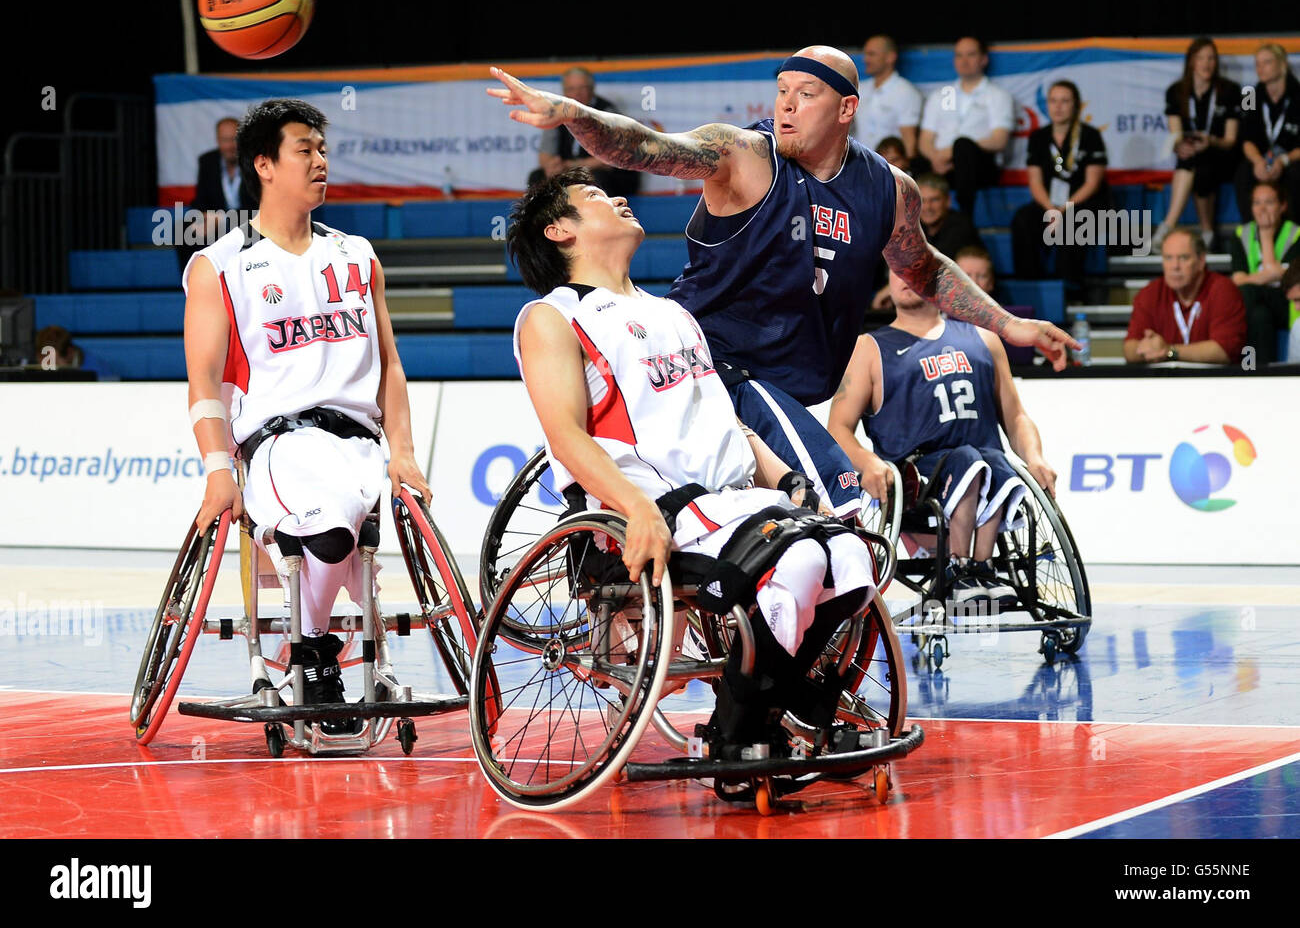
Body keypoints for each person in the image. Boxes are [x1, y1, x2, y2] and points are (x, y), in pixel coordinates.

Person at [488, 48, 1073, 524]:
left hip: (792, 379)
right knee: (844, 503)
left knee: (787, 520)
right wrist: (574, 114)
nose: (786, 106)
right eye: (781, 91)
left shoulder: (889, 189)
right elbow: (648, 147)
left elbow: (924, 267)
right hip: (715, 364)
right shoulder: (745, 155)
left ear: (846, 109)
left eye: (806, 94)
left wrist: (1007, 323)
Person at [508, 169, 877, 756]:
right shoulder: (552, 317)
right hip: (652, 507)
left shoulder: (674, 313)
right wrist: (636, 509)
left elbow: (723, 420)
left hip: (734, 501)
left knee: (853, 559)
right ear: (559, 231)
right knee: (801, 559)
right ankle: (739, 735)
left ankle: (779, 698)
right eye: (597, 198)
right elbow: (566, 436)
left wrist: (784, 477)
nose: (620, 197)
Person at [183, 98, 431, 731]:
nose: (321, 162)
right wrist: (218, 472)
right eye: (305, 151)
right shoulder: (220, 266)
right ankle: (314, 654)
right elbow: (205, 383)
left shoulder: (357, 254)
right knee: (330, 530)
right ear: (264, 164)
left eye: (323, 150)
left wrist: (402, 451)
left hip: (363, 444)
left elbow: (392, 367)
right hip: (280, 445)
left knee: (353, 535)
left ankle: (312, 641)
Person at [827, 269, 1057, 596]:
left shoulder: (984, 338)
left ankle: (981, 568)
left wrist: (1035, 457)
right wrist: (867, 462)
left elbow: (1016, 416)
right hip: (917, 477)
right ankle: (959, 568)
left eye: (914, 267)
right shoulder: (869, 349)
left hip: (986, 467)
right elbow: (837, 428)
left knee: (993, 461)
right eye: (895, 269)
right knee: (969, 460)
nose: (904, 276)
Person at [1010, 80, 1110, 302]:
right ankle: (1029, 287)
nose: (1058, 107)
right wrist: (1050, 209)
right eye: (1053, 101)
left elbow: (1092, 183)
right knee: (1023, 219)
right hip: (1048, 203)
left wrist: (1063, 210)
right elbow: (1035, 182)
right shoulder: (1038, 138)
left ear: (1076, 105)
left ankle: (1071, 290)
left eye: (1065, 101)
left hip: (1082, 202)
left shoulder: (1091, 136)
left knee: (1074, 221)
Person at [918, 37, 1016, 218]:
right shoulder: (941, 95)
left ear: (983, 59)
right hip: (941, 166)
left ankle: (965, 218)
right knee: (911, 161)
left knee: (962, 145)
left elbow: (999, 140)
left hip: (979, 166)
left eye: (970, 55)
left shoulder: (998, 96)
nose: (964, 61)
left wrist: (952, 151)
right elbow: (925, 140)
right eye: (959, 55)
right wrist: (937, 158)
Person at [1158, 38, 1241, 245]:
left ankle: (1167, 227)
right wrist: (1181, 145)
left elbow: (1231, 140)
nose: (1207, 63)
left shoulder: (1230, 90)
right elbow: (1175, 135)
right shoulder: (1176, 91)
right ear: (1191, 62)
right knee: (1190, 161)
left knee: (1200, 162)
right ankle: (1206, 233)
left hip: (1222, 154)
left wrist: (1211, 141)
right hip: (1193, 156)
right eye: (1201, 58)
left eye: (1211, 58)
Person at [1123, 229, 1246, 365]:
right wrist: (1148, 349)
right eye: (1168, 258)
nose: (1175, 266)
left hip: (1215, 381)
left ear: (1201, 261)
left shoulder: (1223, 290)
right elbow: (1129, 348)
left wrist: (1170, 351)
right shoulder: (1149, 293)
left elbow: (1224, 351)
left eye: (1183, 258)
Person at [871, 173, 983, 310]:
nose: (928, 207)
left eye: (934, 200)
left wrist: (891, 289)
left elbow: (935, 266)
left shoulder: (961, 226)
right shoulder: (909, 222)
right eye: (922, 201)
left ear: (948, 201)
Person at [529, 67, 639, 200]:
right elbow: (545, 155)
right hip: (571, 170)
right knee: (537, 177)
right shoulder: (556, 112)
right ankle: (545, 219)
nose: (577, 94)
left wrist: (571, 166)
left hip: (607, 173)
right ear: (564, 92)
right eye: (571, 89)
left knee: (595, 178)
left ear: (592, 89)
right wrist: (552, 166)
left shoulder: (607, 112)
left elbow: (612, 160)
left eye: (582, 88)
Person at [1228, 181, 1299, 364]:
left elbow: (1292, 281)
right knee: (1259, 315)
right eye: (1256, 203)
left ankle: (1248, 366)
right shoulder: (1240, 235)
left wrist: (1266, 235)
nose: (1262, 209)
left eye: (1269, 202)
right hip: (1257, 305)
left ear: (1282, 206)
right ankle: (1261, 372)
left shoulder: (1296, 234)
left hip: (1290, 303)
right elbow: (1238, 281)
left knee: (1247, 292)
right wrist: (1275, 272)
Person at [1234, 44, 1300, 226]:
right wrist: (1257, 161)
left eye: (1267, 62)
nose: (1260, 68)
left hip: (1290, 159)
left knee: (1295, 175)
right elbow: (1246, 139)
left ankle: (1293, 235)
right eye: (1257, 64)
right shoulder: (1249, 95)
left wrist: (1284, 160)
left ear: (1283, 64)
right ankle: (1251, 232)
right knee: (1244, 172)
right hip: (1262, 159)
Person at [183, 117, 259, 275]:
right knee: (184, 229)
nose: (230, 146)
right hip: (215, 224)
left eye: (234, 140)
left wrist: (222, 218)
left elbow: (258, 204)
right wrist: (202, 216)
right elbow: (200, 200)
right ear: (217, 141)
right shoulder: (207, 162)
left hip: (250, 222)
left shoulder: (255, 160)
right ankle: (195, 281)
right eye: (225, 140)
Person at [954, 244, 1035, 365]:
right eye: (966, 275)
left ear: (991, 282)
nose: (974, 283)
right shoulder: (935, 319)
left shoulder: (1008, 319)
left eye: (981, 276)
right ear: (951, 280)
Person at [858, 36, 924, 168]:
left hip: (889, 169)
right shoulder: (858, 89)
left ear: (890, 57)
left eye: (871, 54)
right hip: (859, 166)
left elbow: (909, 142)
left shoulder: (906, 92)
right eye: (865, 54)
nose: (865, 59)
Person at [1283, 263, 1300, 362]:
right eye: (1293, 301)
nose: (1296, 308)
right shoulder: (1298, 327)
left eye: (1298, 299)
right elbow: (1295, 373)